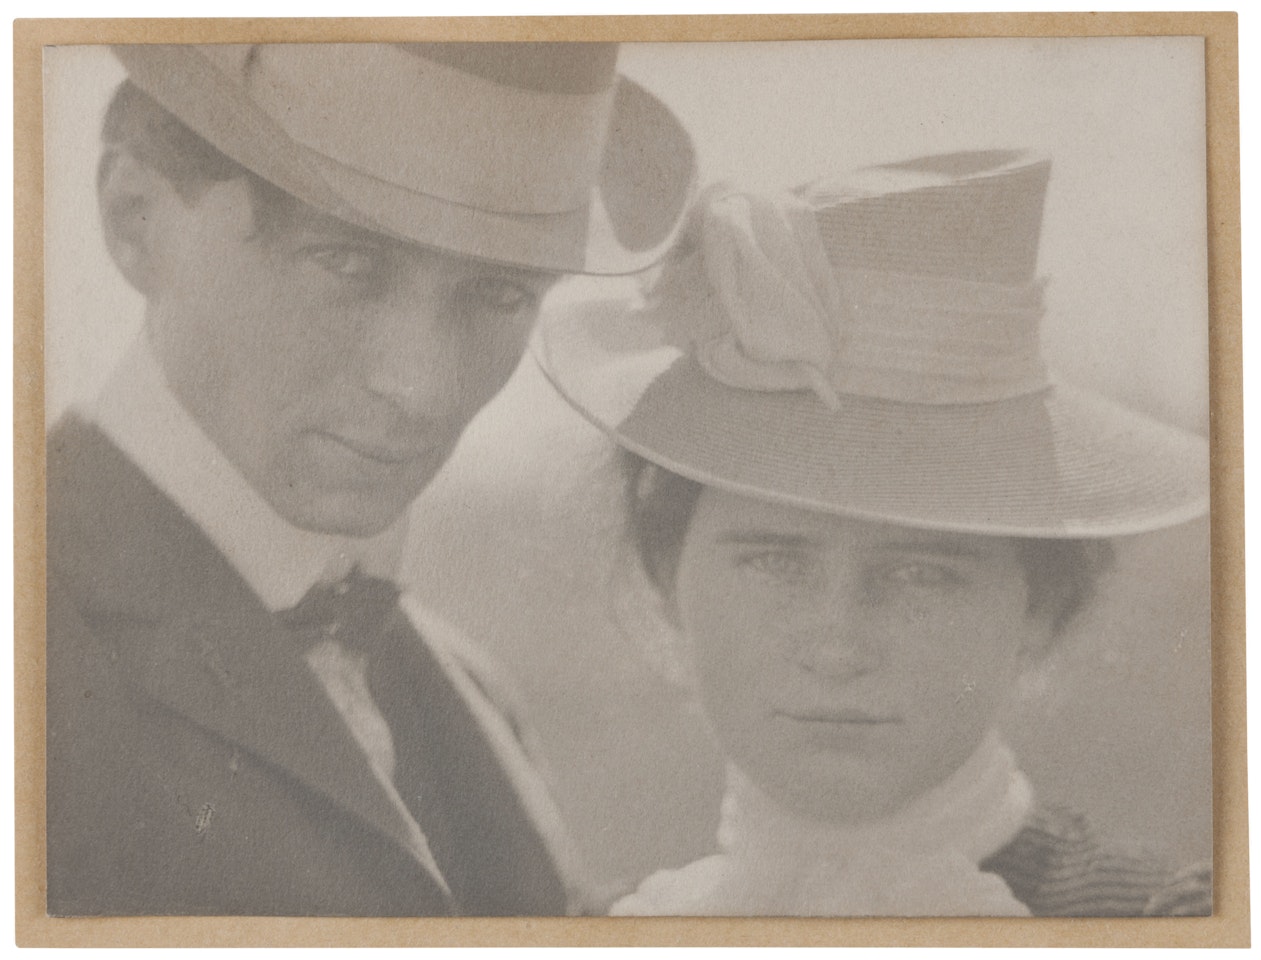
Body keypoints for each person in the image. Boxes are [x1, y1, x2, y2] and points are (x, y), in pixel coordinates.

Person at [45, 41, 695, 917]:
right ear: (137, 219)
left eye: (498, 295)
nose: (419, 386)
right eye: (346, 265)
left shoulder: (467, 687)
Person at [535, 151, 1212, 916]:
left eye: (920, 573)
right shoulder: (600, 932)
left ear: (1039, 608)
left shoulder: (1174, 926)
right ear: (666, 575)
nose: (837, 647)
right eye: (772, 561)